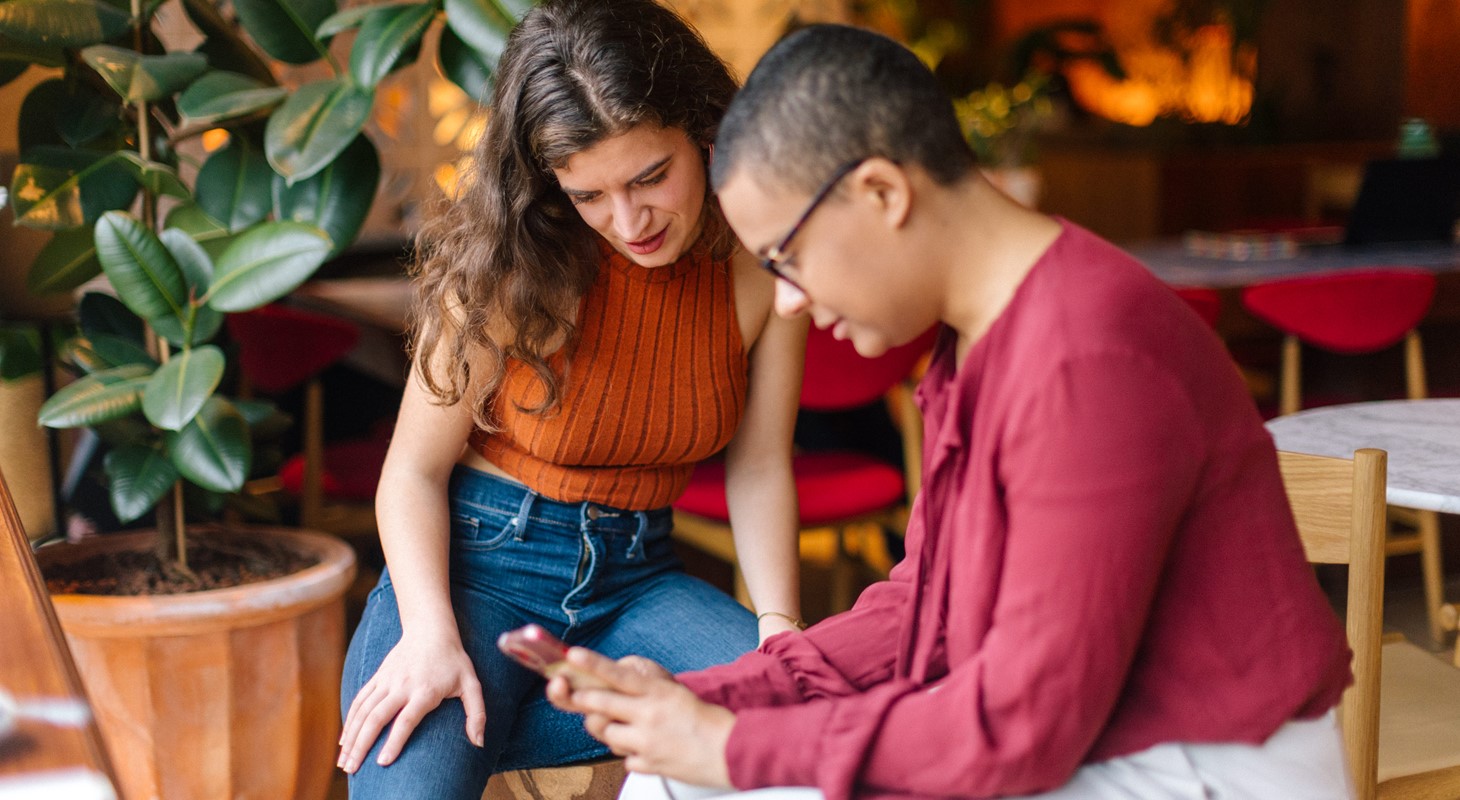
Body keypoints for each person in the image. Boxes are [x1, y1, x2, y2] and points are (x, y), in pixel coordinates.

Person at [547, 24, 1356, 800]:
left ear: (881, 192)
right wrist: (713, 696)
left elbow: (1022, 727)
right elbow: (923, 610)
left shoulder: (1090, 356)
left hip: (1199, 768)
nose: (788, 302)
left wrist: (731, 743)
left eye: (787, 259)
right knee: (673, 774)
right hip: (1097, 747)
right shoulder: (975, 339)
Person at [335, 1, 808, 796]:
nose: (629, 221)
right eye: (591, 194)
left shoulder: (758, 265)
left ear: (703, 129)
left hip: (638, 581)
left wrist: (778, 630)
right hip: (471, 573)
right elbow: (411, 473)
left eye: (651, 176)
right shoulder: (513, 263)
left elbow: (758, 466)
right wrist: (427, 632)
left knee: (804, 724)